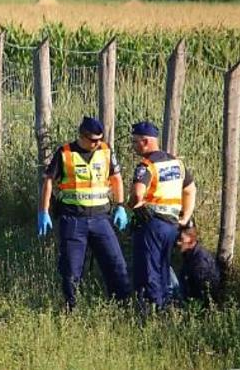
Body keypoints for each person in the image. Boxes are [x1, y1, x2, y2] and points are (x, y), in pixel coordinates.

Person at [38, 116, 131, 309]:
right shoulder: (64, 153)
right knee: (71, 269)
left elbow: (116, 178)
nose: (97, 143)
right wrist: (43, 211)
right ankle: (72, 308)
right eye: (93, 140)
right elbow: (48, 181)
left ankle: (121, 306)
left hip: (101, 219)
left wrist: (120, 205)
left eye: (100, 139)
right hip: (73, 219)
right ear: (82, 136)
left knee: (116, 264)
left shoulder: (105, 151)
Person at [128, 120, 197, 309]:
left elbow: (137, 193)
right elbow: (190, 190)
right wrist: (184, 217)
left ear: (145, 142)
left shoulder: (146, 166)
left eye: (135, 142)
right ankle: (169, 306)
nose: (133, 146)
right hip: (172, 225)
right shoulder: (177, 163)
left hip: (151, 224)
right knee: (163, 268)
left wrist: (131, 205)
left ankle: (153, 312)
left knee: (149, 271)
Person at [177, 225, 220, 305]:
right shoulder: (189, 255)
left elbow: (202, 291)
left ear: (191, 240)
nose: (178, 243)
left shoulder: (200, 261)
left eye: (181, 240)